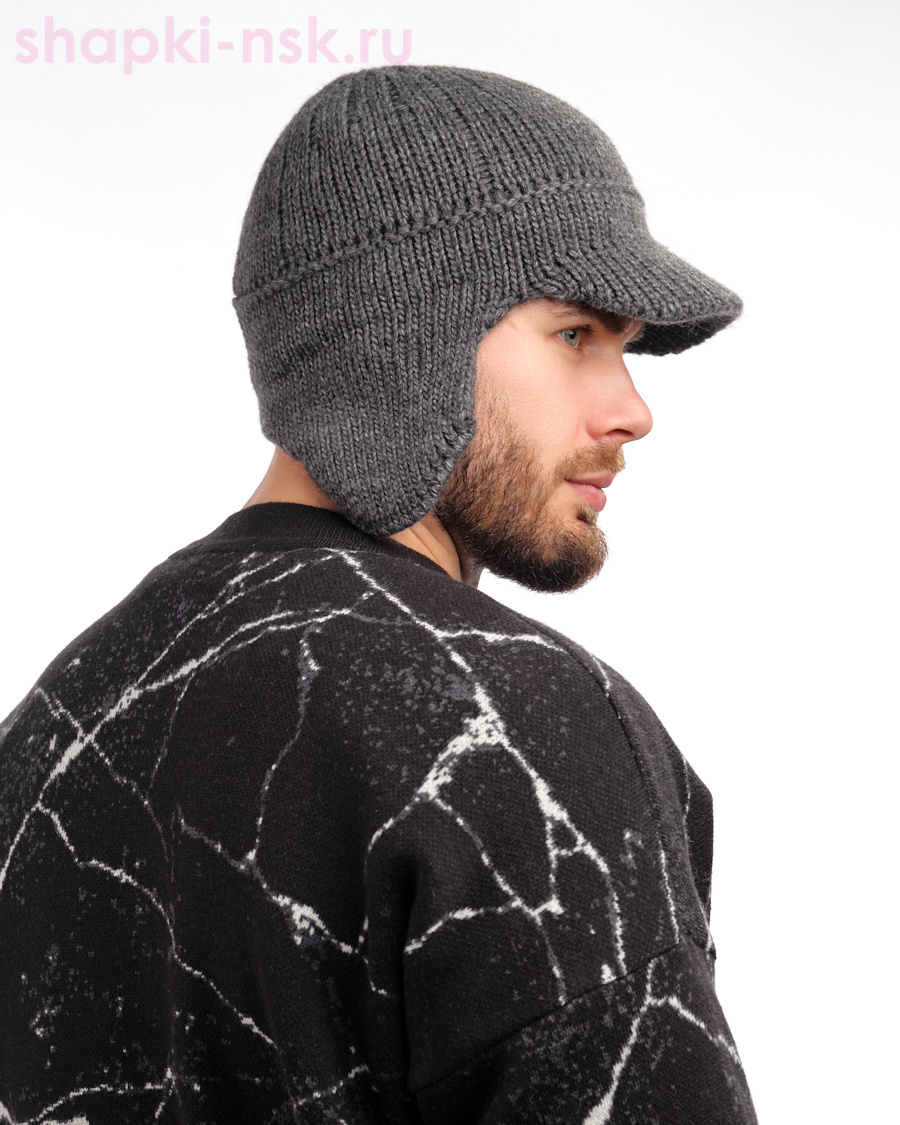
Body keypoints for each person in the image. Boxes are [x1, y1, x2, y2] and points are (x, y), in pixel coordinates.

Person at [0, 65, 757, 1123]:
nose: (632, 410)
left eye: (626, 349)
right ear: (405, 341)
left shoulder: (59, 720)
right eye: (576, 334)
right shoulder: (518, 720)